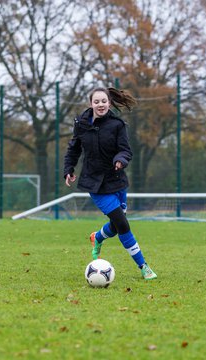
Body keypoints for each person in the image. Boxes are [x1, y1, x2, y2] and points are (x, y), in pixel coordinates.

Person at [64, 87, 157, 280]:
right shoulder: (81, 124)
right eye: (96, 101)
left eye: (104, 101)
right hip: (95, 185)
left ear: (109, 103)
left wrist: (120, 160)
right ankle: (144, 266)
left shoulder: (118, 125)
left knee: (115, 227)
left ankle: (97, 237)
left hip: (117, 181)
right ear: (91, 104)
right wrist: (69, 168)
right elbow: (74, 149)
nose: (100, 105)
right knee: (122, 224)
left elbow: (126, 150)